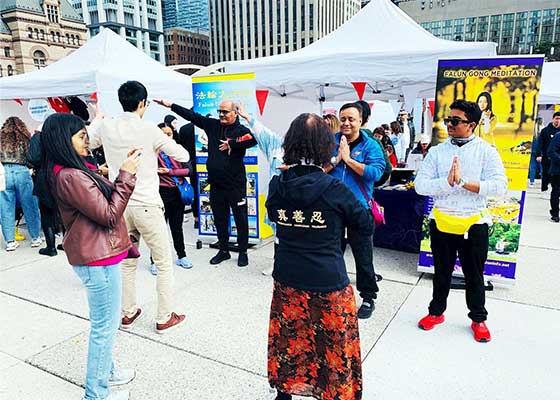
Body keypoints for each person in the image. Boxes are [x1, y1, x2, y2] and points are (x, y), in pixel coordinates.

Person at [266, 113, 372, 400]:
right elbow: (365, 225)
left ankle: (286, 391)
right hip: (328, 281)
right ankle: (333, 393)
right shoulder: (334, 189)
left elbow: (272, 213)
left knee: (290, 339)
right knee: (332, 346)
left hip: (287, 277)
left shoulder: (278, 184)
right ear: (327, 147)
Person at [42, 112, 140, 400]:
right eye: (81, 136)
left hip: (97, 255)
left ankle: (107, 372)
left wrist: (106, 176)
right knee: (105, 327)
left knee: (104, 324)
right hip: (97, 259)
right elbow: (109, 214)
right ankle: (96, 394)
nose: (87, 141)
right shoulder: (71, 176)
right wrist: (126, 176)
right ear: (64, 140)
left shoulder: (71, 170)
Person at [88, 81, 189, 334]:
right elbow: (184, 156)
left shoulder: (107, 127)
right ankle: (164, 317)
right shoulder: (150, 130)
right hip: (147, 205)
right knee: (164, 262)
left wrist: (97, 118)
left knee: (126, 263)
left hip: (120, 205)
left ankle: (128, 312)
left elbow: (87, 143)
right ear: (143, 103)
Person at [415, 100, 507, 343]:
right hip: (442, 219)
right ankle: (436, 312)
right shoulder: (437, 151)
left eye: (456, 121)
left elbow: (500, 186)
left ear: (472, 125)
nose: (450, 124)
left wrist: (465, 182)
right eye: (448, 120)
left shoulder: (486, 151)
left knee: (474, 274)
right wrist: (447, 182)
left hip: (473, 222)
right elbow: (421, 185)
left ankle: (478, 318)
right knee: (441, 272)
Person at [155, 98, 257, 267]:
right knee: (220, 218)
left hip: (235, 185)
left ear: (235, 113)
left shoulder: (240, 130)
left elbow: (253, 138)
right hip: (216, 184)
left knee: (240, 218)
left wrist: (232, 143)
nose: (222, 115)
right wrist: (170, 105)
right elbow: (191, 116)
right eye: (220, 112)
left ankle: (243, 251)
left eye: (225, 112)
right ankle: (223, 250)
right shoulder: (213, 125)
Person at [324, 102, 386, 319]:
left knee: (363, 255)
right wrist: (336, 160)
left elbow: (376, 173)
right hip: (332, 208)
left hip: (359, 208)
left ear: (361, 121)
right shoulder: (329, 142)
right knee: (331, 252)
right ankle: (330, 291)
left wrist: (349, 160)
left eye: (351, 119)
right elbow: (320, 168)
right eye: (343, 119)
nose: (347, 123)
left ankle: (368, 297)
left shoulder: (370, 145)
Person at [151, 125, 193, 272]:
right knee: (158, 229)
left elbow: (189, 170)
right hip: (160, 192)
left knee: (177, 226)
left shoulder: (178, 150)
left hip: (177, 192)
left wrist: (169, 171)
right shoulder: (153, 151)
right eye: (163, 134)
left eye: (169, 134)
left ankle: (182, 256)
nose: (166, 137)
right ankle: (155, 261)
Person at [0, 117, 42, 251]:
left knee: (5, 208)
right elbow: (31, 157)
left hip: (3, 172)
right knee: (30, 205)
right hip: (22, 172)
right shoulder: (25, 138)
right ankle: (35, 237)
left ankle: (10, 242)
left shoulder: (1, 139)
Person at [27, 129, 62, 256]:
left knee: (46, 212)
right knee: (66, 211)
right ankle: (67, 243)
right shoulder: (62, 134)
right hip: (63, 173)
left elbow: (32, 157)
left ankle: (51, 248)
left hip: (45, 175)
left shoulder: (39, 137)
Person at [176, 121, 199, 229]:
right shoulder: (204, 127)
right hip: (206, 163)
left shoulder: (184, 129)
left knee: (195, 191)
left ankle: (196, 218)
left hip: (191, 164)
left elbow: (181, 148)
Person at [536, 112, 560, 199]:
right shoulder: (545, 131)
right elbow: (540, 144)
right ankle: (544, 190)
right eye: (556, 118)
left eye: (559, 119)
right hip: (546, 157)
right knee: (545, 174)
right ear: (553, 119)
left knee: (556, 176)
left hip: (557, 159)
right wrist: (538, 155)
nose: (558, 121)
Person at [548, 130, 560, 223]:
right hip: (557, 170)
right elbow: (551, 151)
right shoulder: (558, 136)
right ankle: (555, 214)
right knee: (556, 191)